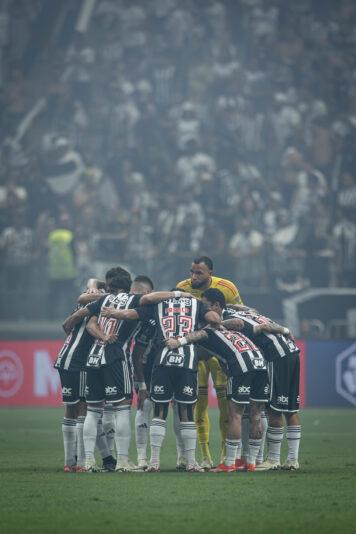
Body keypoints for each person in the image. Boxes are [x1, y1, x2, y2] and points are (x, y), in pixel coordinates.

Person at [64, 285, 195, 472]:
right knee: (122, 409)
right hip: (115, 356)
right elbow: (147, 302)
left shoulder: (105, 300)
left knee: (92, 412)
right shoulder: (137, 301)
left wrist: (101, 334)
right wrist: (179, 294)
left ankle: (87, 462)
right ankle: (123, 462)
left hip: (93, 357)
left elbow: (90, 322)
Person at [101, 289, 221, 472]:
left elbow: (131, 314)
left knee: (159, 411)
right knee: (186, 411)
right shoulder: (196, 304)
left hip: (163, 361)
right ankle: (190, 461)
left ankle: (154, 462)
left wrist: (112, 313)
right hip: (187, 362)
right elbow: (215, 319)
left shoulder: (158, 305)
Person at [165, 315, 270, 472]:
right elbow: (212, 355)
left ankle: (228, 463)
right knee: (256, 414)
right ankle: (251, 462)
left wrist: (179, 342)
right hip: (260, 363)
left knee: (235, 414)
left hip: (242, 364)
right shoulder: (231, 333)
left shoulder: (209, 332)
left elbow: (199, 336)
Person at [210, 291, 301, 471]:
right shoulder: (242, 311)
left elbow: (254, 326)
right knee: (290, 409)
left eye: (207, 307)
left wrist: (285, 329)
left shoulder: (230, 320)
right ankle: (292, 460)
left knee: (272, 408)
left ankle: (273, 459)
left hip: (277, 355)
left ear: (216, 306)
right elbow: (253, 311)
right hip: (291, 352)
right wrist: (285, 330)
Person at [176, 256, 243, 468]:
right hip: (198, 350)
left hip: (221, 351)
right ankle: (205, 456)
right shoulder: (182, 288)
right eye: (192, 272)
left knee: (226, 406)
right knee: (199, 404)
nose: (193, 277)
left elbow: (237, 313)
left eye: (199, 273)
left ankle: (225, 454)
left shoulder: (227, 287)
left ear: (210, 274)